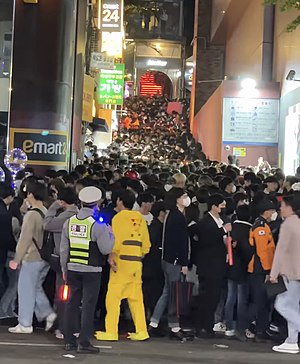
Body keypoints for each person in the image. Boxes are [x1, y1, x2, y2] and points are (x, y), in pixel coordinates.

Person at [60, 186, 114, 354]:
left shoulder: (69, 222)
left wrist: (64, 268)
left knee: (71, 304)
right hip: (92, 270)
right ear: (96, 204)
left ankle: (69, 340)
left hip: (72, 268)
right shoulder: (98, 225)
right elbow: (106, 249)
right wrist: (111, 234)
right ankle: (83, 342)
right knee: (88, 306)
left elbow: (63, 249)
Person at [96, 190, 151, 341]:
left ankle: (111, 331)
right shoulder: (140, 218)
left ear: (119, 201)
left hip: (122, 262)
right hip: (136, 263)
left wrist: (111, 257)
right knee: (136, 298)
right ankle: (141, 331)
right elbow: (146, 245)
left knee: (113, 297)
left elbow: (116, 241)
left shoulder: (118, 218)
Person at [8, 181, 57, 334]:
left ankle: (25, 323)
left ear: (30, 194)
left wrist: (17, 259)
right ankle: (47, 314)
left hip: (32, 257)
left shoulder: (31, 214)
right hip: (44, 257)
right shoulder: (45, 211)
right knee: (35, 287)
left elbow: (25, 239)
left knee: (25, 290)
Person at [149, 188, 190, 340]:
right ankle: (174, 326)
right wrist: (184, 263)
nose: (186, 198)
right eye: (184, 196)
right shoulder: (178, 217)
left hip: (166, 259)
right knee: (175, 294)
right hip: (174, 261)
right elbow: (181, 243)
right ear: (177, 199)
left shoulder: (170, 215)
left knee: (167, 293)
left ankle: (154, 323)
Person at [43, 187, 79, 339]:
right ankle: (75, 327)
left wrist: (52, 207)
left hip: (62, 259)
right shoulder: (79, 214)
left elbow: (46, 225)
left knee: (63, 295)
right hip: (79, 259)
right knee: (76, 295)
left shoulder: (65, 217)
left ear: (62, 201)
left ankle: (64, 328)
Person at [194, 194, 232, 338]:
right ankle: (202, 327)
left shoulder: (221, 220)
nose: (223, 207)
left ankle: (208, 327)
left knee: (214, 297)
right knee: (206, 298)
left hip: (219, 264)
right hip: (208, 265)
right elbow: (205, 239)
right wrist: (223, 231)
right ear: (214, 206)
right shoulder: (205, 221)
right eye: (221, 205)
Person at [270, 196, 300, 354]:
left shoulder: (288, 225)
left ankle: (293, 340)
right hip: (297, 272)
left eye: (282, 205)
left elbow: (280, 251)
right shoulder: (298, 222)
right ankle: (292, 341)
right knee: (293, 306)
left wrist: (273, 273)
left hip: (291, 272)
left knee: (282, 305)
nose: (280, 208)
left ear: (289, 207)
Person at [248, 199, 276, 342]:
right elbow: (262, 251)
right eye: (272, 211)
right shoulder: (260, 227)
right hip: (260, 269)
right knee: (260, 301)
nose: (274, 213)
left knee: (264, 301)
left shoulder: (264, 225)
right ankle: (258, 330)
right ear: (266, 212)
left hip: (262, 269)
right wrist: (267, 270)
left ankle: (262, 329)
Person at [224, 205, 253, 340]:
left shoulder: (231, 228)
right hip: (243, 269)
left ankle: (229, 326)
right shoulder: (248, 230)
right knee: (242, 300)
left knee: (230, 298)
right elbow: (248, 251)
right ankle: (241, 329)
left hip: (230, 267)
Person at [0, 183, 20, 318]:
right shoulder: (7, 216)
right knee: (13, 283)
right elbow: (8, 238)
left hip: (5, 254)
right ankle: (4, 311)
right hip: (7, 254)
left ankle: (5, 311)